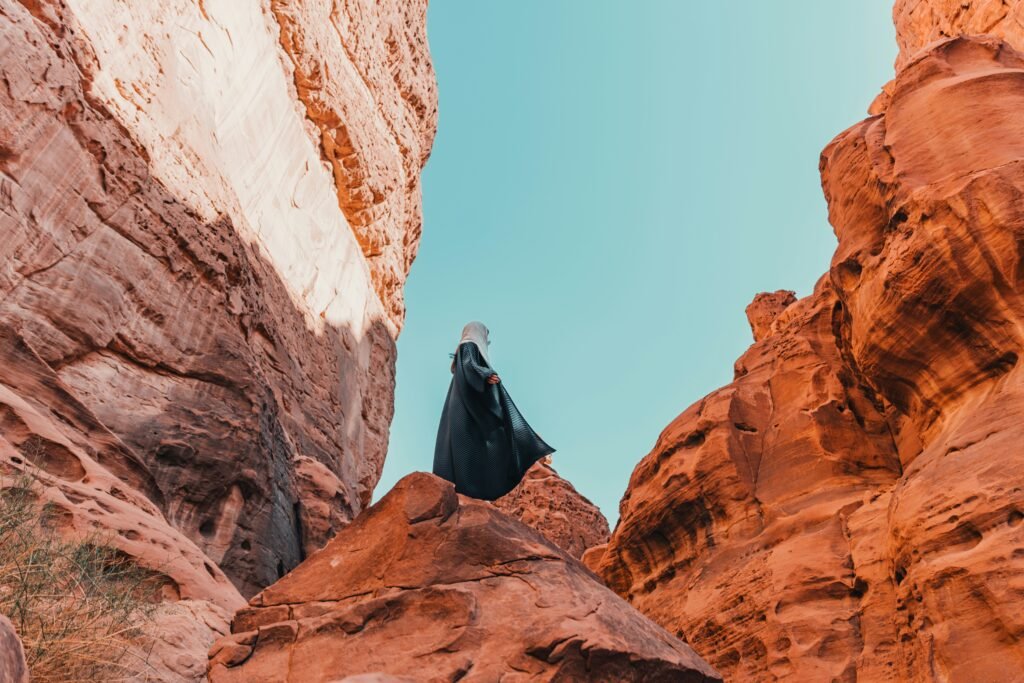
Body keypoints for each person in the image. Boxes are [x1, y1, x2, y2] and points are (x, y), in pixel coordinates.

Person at [432, 321, 554, 500]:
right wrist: (485, 374)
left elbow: (469, 370)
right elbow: (469, 364)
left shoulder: (464, 354)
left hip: (464, 411)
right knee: (474, 448)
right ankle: (469, 491)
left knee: (463, 452)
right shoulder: (469, 345)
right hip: (466, 413)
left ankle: (464, 493)